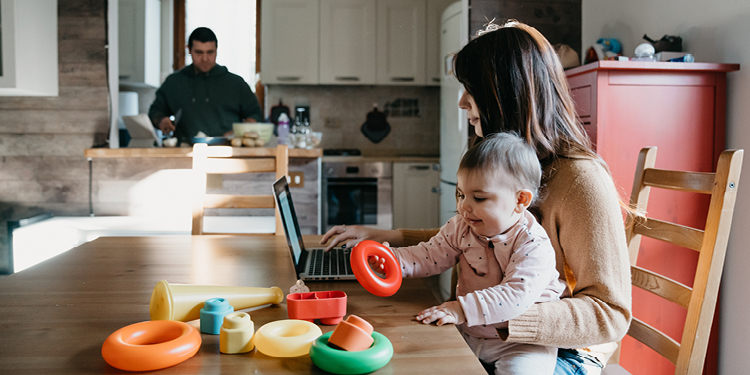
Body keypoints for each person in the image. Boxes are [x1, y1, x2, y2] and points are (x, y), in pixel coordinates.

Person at [321, 20, 631, 375]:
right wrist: (390, 240)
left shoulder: (581, 180)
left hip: (559, 351)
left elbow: (609, 314)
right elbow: (471, 242)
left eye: (471, 88)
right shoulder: (497, 167)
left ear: (508, 94)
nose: (461, 101)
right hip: (482, 330)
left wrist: (491, 314)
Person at [371, 133, 567, 374]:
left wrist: (460, 309)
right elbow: (430, 254)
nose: (464, 206)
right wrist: (393, 261)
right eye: (461, 194)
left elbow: (516, 295)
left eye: (479, 197)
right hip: (470, 332)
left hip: (520, 343)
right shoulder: (462, 227)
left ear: (520, 200)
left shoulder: (533, 245)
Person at [148, 27, 262, 142]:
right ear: (189, 50)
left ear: (216, 50)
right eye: (199, 52)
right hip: (184, 151)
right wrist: (161, 120)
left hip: (228, 149)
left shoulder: (236, 83)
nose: (205, 58)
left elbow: (255, 114)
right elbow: (155, 111)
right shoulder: (174, 82)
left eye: (210, 52)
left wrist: (240, 132)